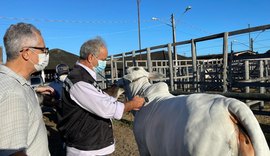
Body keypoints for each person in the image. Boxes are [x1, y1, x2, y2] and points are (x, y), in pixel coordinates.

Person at [57, 36, 145, 156]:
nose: (104, 63)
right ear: (91, 57)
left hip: (90, 143)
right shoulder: (80, 81)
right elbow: (105, 108)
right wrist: (131, 104)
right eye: (103, 59)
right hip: (86, 148)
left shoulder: (82, 76)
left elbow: (100, 97)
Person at [0, 22, 51, 156]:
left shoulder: (18, 84)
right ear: (27, 53)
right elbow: (13, 152)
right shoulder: (13, 93)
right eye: (43, 50)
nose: (46, 54)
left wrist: (36, 92)